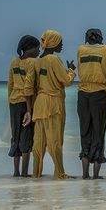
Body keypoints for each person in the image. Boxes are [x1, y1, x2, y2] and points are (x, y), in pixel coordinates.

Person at [32, 30, 76, 179]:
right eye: (60, 42)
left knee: (39, 142)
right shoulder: (54, 59)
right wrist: (71, 71)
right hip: (53, 104)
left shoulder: (37, 61)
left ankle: (36, 173)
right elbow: (66, 80)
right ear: (53, 43)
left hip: (40, 103)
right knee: (55, 141)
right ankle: (59, 173)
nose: (62, 45)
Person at [76, 28, 106, 179]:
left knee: (84, 131)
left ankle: (84, 173)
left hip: (83, 94)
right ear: (100, 38)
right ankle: (95, 175)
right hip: (100, 94)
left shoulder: (81, 49)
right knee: (99, 133)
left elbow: (80, 69)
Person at [8, 35, 40, 177]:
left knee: (16, 135)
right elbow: (29, 86)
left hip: (14, 102)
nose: (38, 51)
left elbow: (10, 84)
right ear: (30, 48)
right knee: (26, 137)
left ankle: (16, 172)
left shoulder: (14, 62)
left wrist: (11, 100)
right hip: (27, 103)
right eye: (37, 48)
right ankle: (25, 173)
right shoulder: (32, 63)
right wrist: (29, 109)